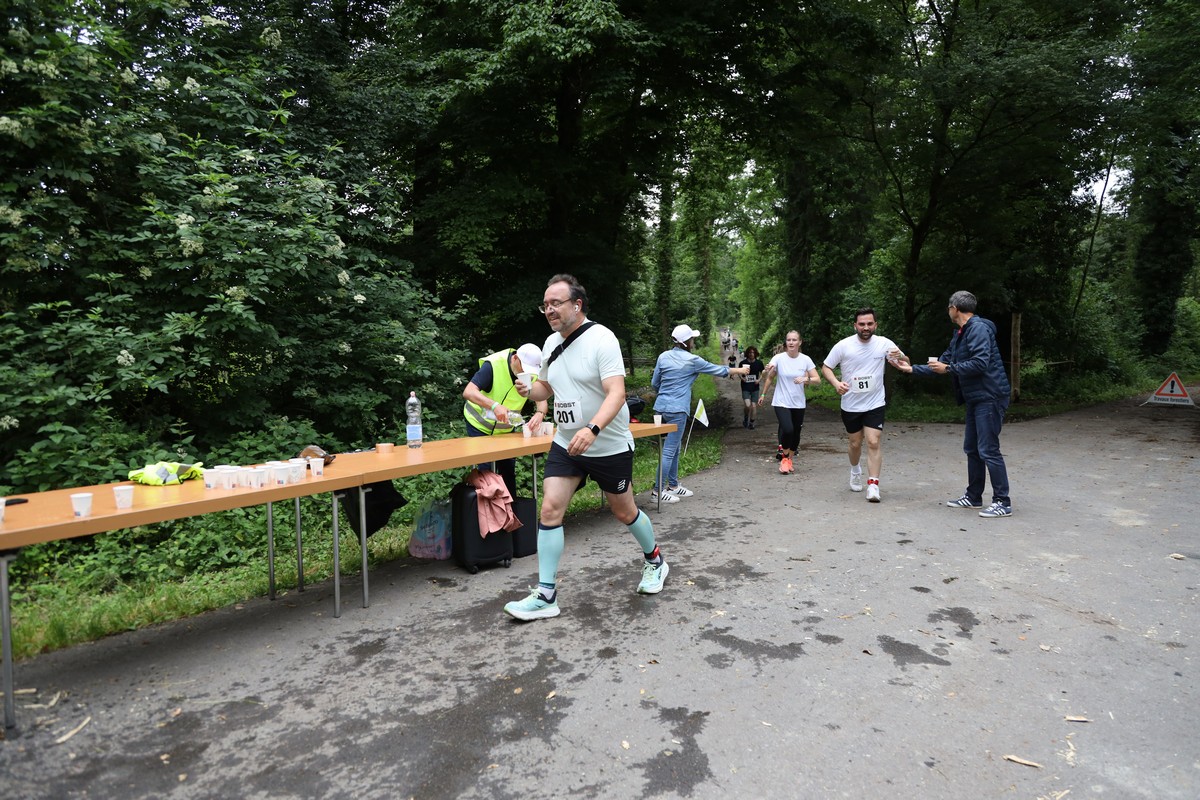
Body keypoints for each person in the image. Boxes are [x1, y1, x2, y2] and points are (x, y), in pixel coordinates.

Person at [503, 274, 668, 621]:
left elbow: (617, 393)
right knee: (550, 509)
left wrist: (593, 429)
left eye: (556, 303)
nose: (549, 310)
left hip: (607, 444)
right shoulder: (551, 343)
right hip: (567, 442)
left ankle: (655, 560)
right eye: (545, 305)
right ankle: (546, 594)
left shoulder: (602, 339)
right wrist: (529, 391)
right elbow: (546, 388)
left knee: (624, 511)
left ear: (577, 305)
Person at [894, 291, 1013, 518]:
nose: (948, 311)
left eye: (948, 308)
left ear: (955, 308)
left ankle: (1002, 502)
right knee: (972, 448)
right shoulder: (960, 333)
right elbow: (942, 362)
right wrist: (910, 369)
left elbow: (980, 362)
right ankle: (974, 496)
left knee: (988, 449)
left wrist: (948, 369)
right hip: (975, 398)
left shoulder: (978, 329)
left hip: (990, 396)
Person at [650, 323, 748, 503]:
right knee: (669, 450)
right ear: (686, 342)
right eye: (692, 339)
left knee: (673, 447)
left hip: (660, 408)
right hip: (677, 409)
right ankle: (657, 492)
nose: (693, 342)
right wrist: (740, 370)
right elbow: (718, 370)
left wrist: (665, 395)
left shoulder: (663, 357)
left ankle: (673, 486)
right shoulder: (692, 360)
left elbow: (655, 383)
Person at [820, 308, 906, 502]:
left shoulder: (885, 344)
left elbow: (904, 361)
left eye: (869, 324)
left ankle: (873, 485)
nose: (866, 327)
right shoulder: (843, 346)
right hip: (851, 404)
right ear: (855, 326)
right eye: (862, 324)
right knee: (855, 443)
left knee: (873, 441)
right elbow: (826, 367)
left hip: (875, 402)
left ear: (875, 325)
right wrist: (836, 383)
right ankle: (855, 469)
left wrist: (900, 357)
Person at [461, 343, 549, 498]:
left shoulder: (530, 371)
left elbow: (541, 397)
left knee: (508, 469)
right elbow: (468, 392)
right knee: (486, 472)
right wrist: (494, 406)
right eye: (523, 369)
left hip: (506, 429)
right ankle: (487, 510)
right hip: (479, 425)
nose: (525, 374)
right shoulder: (493, 365)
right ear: (515, 358)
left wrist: (540, 413)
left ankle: (510, 509)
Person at [758, 331, 820, 474]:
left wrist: (805, 379)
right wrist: (766, 371)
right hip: (781, 401)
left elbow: (817, 379)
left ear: (800, 342)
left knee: (796, 432)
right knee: (788, 429)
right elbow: (767, 374)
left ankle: (789, 459)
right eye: (788, 340)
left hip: (798, 403)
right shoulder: (778, 358)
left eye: (794, 340)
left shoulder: (805, 360)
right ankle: (784, 458)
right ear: (786, 342)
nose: (791, 342)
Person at [739, 346, 765, 429]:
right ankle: (746, 417)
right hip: (745, 386)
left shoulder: (759, 363)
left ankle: (751, 422)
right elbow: (739, 372)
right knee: (747, 405)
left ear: (755, 354)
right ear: (747, 353)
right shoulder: (743, 363)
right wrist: (742, 378)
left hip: (755, 387)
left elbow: (763, 372)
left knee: (754, 406)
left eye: (753, 352)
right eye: (750, 352)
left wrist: (759, 380)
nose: (751, 354)